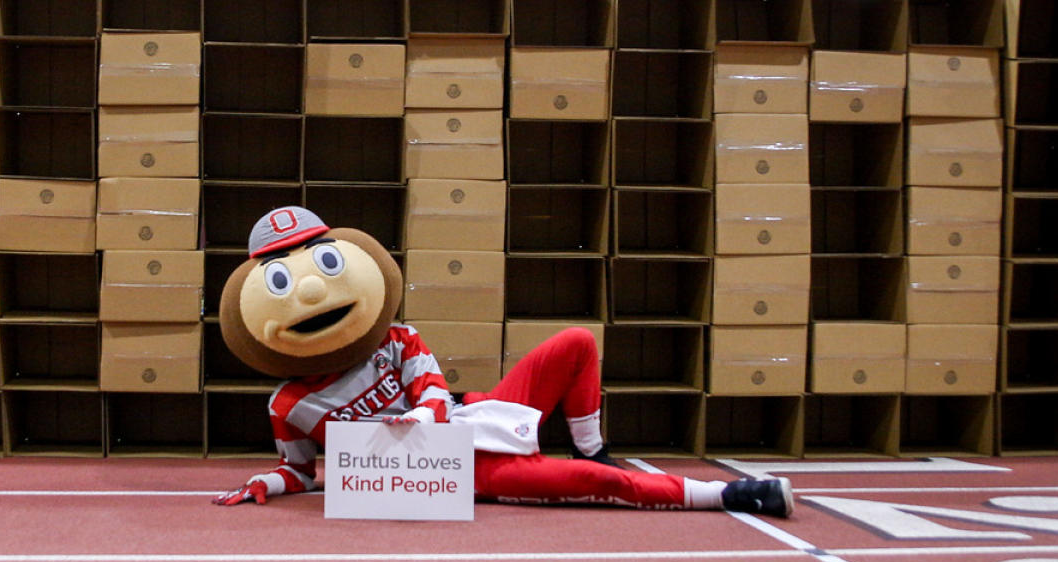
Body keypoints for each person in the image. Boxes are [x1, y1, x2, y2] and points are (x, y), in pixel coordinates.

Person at [210, 206, 794, 517]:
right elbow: (301, 470)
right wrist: (265, 482)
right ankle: (727, 496)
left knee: (575, 343)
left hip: (469, 420)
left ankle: (592, 443)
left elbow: (435, 392)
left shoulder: (398, 337)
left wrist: (419, 420)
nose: (311, 295)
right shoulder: (288, 405)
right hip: (450, 474)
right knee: (593, 486)